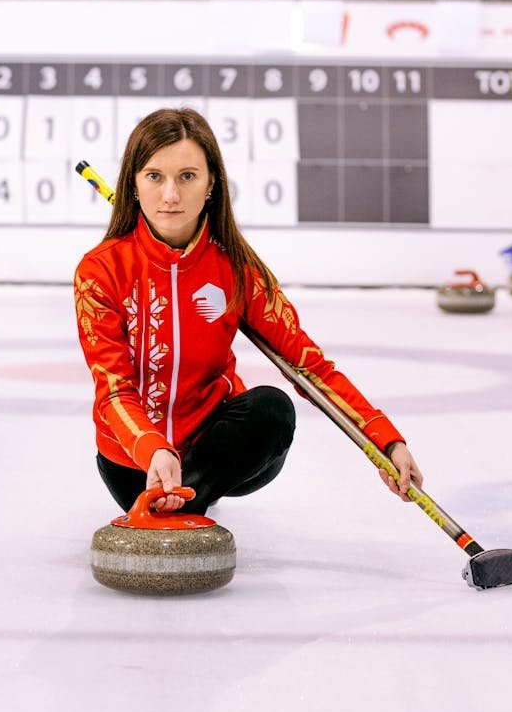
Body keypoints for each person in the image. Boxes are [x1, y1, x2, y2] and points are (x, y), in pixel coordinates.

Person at [74, 107, 422, 515]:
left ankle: (182, 502)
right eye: (154, 176)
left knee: (272, 409)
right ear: (132, 183)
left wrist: (385, 440)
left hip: (214, 452)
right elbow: (114, 390)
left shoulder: (238, 270)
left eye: (187, 176)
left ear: (211, 184)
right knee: (145, 448)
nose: (170, 195)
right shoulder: (99, 272)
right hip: (133, 462)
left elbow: (310, 368)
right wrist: (154, 449)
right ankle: (175, 504)